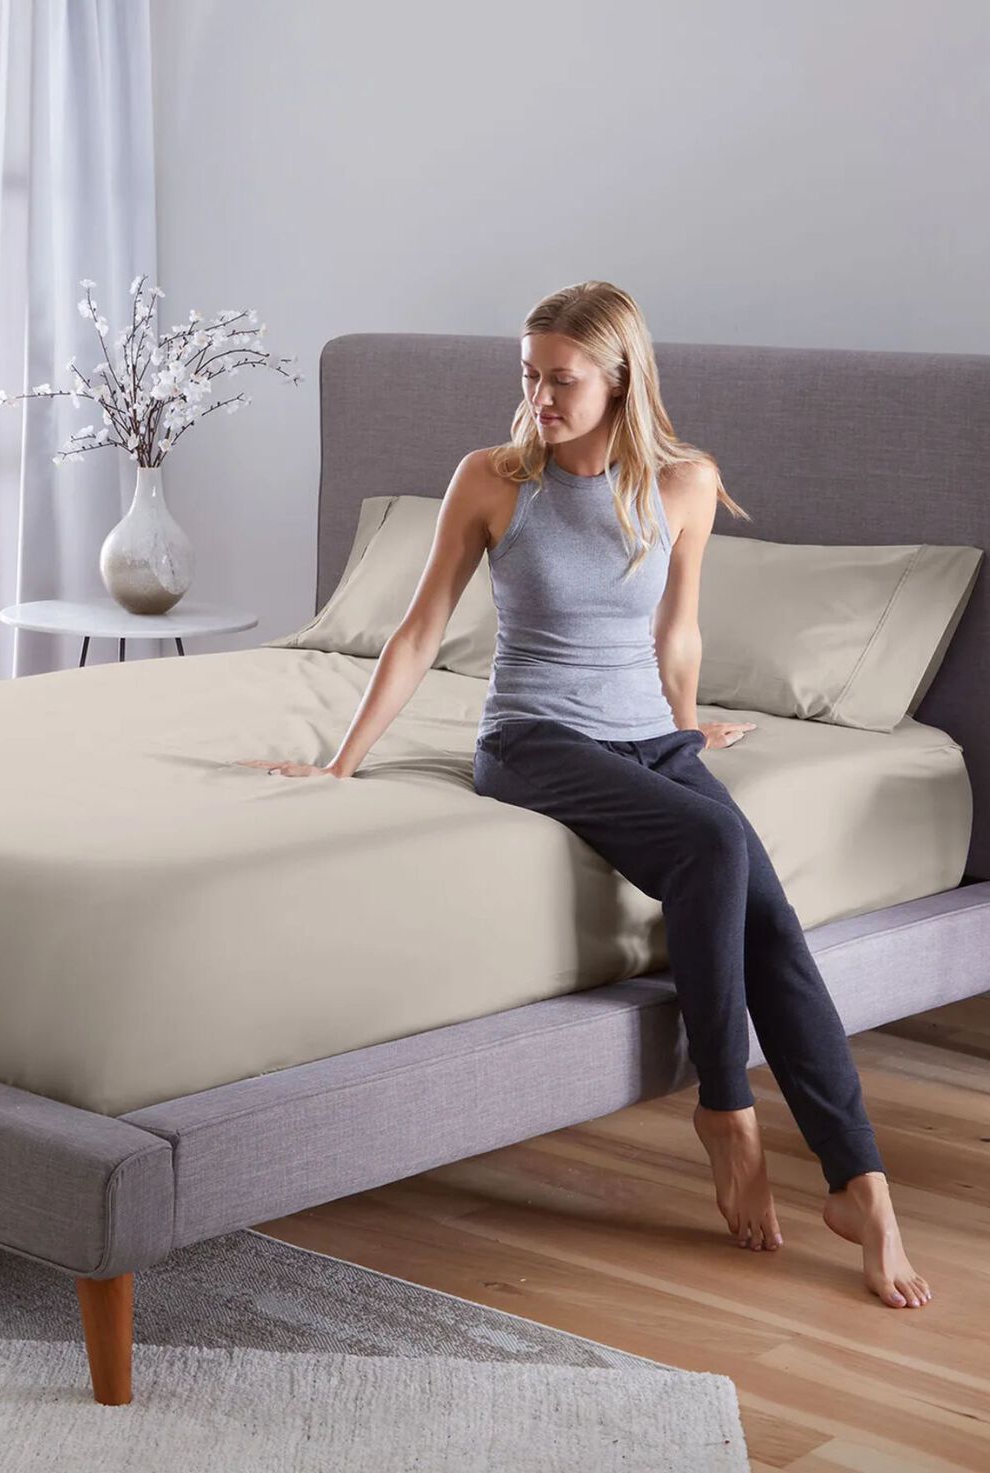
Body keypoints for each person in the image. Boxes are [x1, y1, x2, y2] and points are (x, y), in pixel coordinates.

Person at [237, 280, 932, 1311]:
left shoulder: (686, 483)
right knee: (714, 849)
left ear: (619, 380)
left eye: (559, 380)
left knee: (772, 924)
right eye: (528, 376)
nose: (539, 398)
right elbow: (421, 631)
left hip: (650, 740)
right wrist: (344, 762)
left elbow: (676, 630)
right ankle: (724, 1108)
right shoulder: (492, 479)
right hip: (531, 738)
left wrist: (686, 725)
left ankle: (860, 1185)